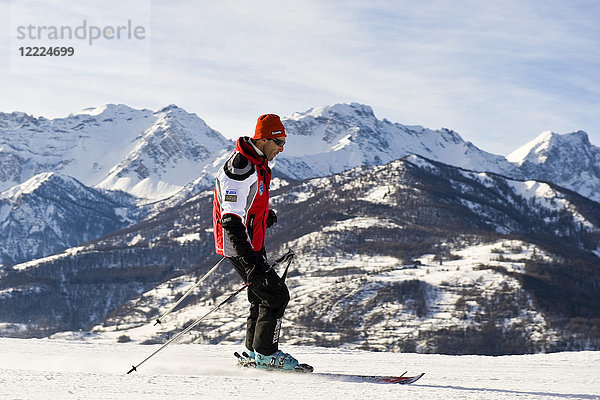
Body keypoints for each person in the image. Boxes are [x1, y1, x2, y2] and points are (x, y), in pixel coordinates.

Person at [212, 114, 298, 370]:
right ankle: (266, 354)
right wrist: (251, 262)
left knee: (261, 295)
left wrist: (261, 216)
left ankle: (253, 353)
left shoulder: (257, 162)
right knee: (275, 295)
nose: (281, 148)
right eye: (278, 141)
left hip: (251, 242)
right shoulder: (240, 169)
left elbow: (247, 204)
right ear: (262, 138)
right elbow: (230, 220)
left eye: (284, 142)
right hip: (240, 245)